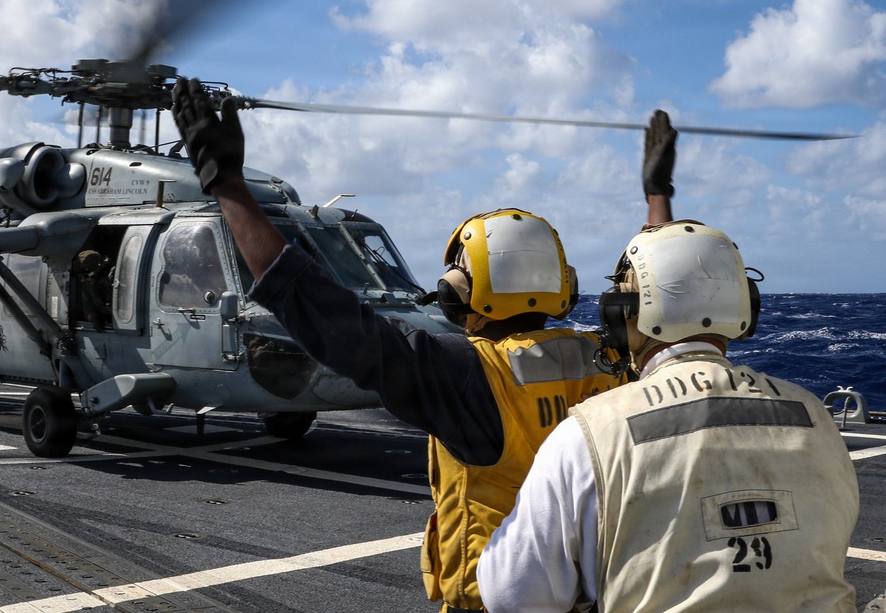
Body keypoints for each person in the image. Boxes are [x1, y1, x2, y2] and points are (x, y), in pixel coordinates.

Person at [171, 78, 671, 612]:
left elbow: (319, 307)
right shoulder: (615, 361)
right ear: (561, 286)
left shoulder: (464, 373)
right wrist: (657, 197)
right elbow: (665, 292)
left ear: (461, 293)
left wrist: (225, 186)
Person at [476, 219, 860, 611]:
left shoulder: (589, 433)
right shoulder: (815, 415)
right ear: (745, 305)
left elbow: (510, 594)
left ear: (624, 314)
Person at [73, 249, 113, 332]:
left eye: (85, 276)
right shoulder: (89, 285)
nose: (83, 280)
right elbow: (87, 305)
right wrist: (93, 316)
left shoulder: (117, 278)